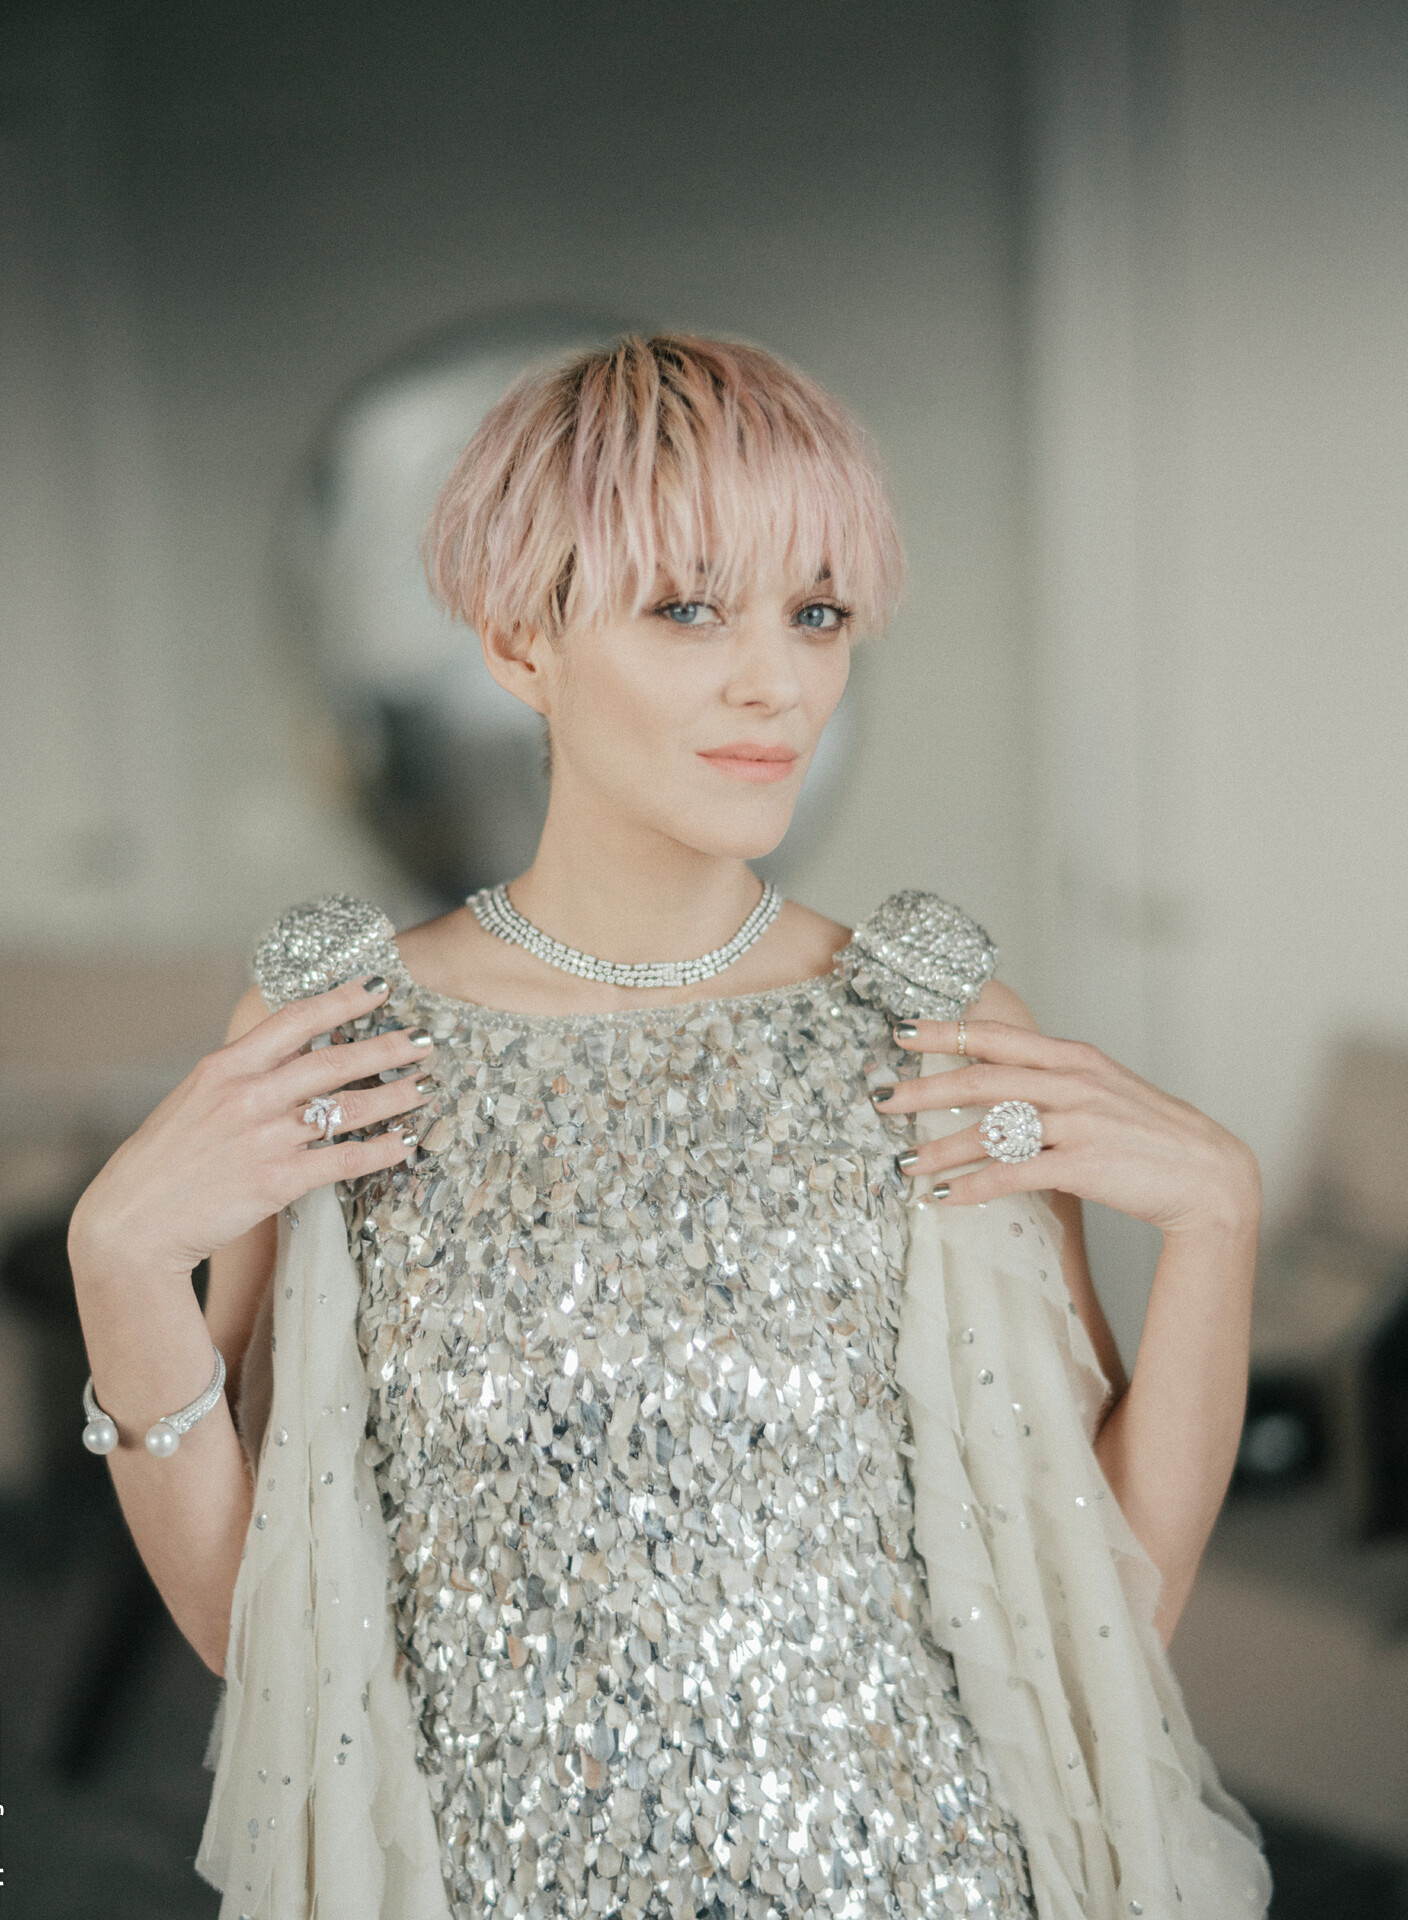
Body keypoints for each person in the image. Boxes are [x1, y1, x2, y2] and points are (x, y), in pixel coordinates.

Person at [69, 335, 1271, 1920]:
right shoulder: (341, 1037)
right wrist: (118, 1267)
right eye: (689, 609)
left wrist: (1219, 1217)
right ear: (521, 641)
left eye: (816, 614)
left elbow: (1104, 1616)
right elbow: (259, 1630)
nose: (778, 682)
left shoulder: (928, 1025)